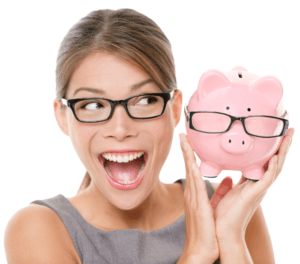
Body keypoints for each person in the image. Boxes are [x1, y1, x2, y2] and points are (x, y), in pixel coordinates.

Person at [4, 8, 294, 264]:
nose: (120, 129)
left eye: (144, 101)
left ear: (176, 108)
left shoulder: (234, 211)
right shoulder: (39, 228)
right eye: (93, 105)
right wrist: (196, 255)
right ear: (62, 116)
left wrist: (231, 238)